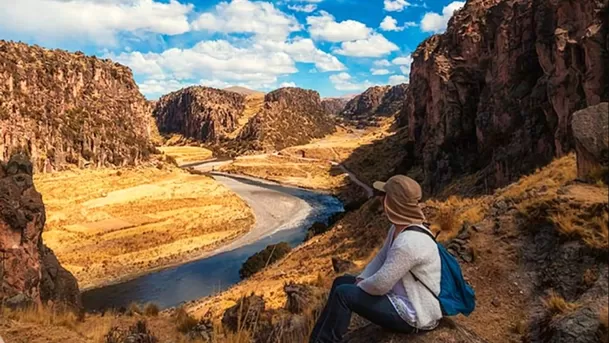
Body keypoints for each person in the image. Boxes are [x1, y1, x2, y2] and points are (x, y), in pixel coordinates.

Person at [309, 175, 442, 343]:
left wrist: (361, 285)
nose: (380, 199)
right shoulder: (398, 229)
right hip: (401, 298)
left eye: (384, 196)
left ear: (392, 202)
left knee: (343, 294)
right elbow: (380, 258)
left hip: (415, 313)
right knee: (340, 282)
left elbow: (380, 285)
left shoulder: (408, 242)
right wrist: (361, 278)